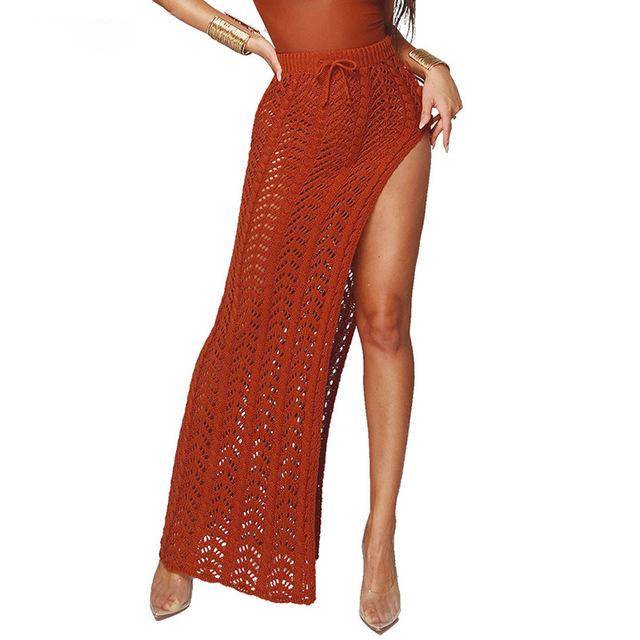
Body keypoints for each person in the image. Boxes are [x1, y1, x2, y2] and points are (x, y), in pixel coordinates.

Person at [148, 0, 462, 632]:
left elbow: (370, 28)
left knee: (385, 321)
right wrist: (248, 40)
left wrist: (433, 66)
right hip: (301, 113)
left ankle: (380, 534)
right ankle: (185, 535)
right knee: (247, 324)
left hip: (392, 110)